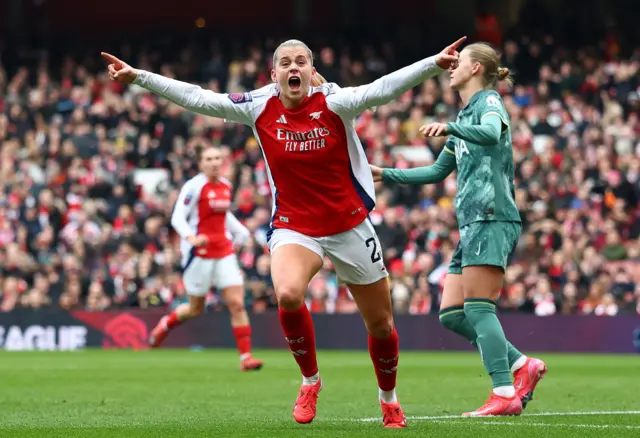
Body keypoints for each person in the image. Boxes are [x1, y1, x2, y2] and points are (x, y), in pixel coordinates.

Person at [101, 36, 465, 428]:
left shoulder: (336, 101)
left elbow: (383, 88)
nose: (294, 69)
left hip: (349, 225)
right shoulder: (259, 105)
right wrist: (139, 77)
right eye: (286, 63)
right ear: (274, 75)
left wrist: (433, 62)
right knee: (288, 294)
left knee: (381, 325)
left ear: (312, 71)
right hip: (295, 226)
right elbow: (199, 97)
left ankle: (389, 399)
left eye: (301, 62)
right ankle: (310, 381)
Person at [370, 42, 547, 417]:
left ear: (478, 68)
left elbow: (491, 132)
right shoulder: (466, 115)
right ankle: (521, 366)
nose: (451, 68)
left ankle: (503, 392)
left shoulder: (488, 103)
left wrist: (451, 126)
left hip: (491, 215)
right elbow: (436, 172)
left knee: (480, 308)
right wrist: (384, 173)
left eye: (459, 63)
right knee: (452, 313)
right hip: (471, 223)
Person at [149, 145, 263, 372]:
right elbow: (177, 217)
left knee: (237, 303)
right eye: (209, 158)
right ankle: (164, 325)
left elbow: (223, 215)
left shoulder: (226, 186)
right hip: (199, 255)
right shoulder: (193, 187)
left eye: (218, 158)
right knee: (195, 308)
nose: (214, 162)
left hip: (224, 252)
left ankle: (246, 357)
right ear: (201, 163)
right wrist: (190, 238)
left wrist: (240, 232)